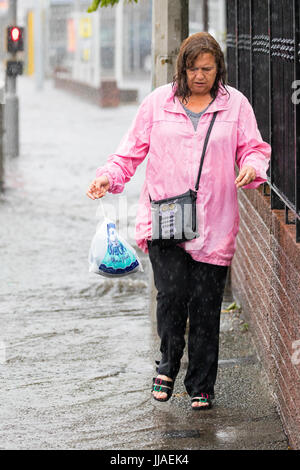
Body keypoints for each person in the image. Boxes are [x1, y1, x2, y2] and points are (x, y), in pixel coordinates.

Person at [86, 32, 271, 409]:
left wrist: (252, 168)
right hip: (165, 219)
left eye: (207, 68)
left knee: (206, 305)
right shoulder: (157, 104)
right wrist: (109, 176)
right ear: (181, 68)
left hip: (214, 223)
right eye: (192, 68)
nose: (199, 76)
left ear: (218, 68)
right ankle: (168, 364)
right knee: (171, 297)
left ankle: (201, 384)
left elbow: (254, 148)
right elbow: (129, 153)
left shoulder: (235, 105)